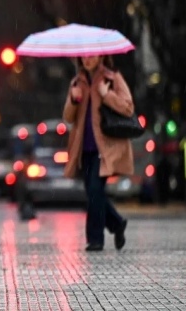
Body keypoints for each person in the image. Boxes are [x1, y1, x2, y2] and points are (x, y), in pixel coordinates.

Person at [63, 55, 133, 252]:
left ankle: (95, 239)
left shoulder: (112, 78)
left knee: (94, 191)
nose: (87, 59)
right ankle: (117, 224)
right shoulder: (77, 82)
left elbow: (128, 108)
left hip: (105, 148)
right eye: (83, 56)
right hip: (84, 149)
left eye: (91, 55)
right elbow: (68, 117)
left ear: (101, 56)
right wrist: (73, 100)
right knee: (94, 193)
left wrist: (106, 94)